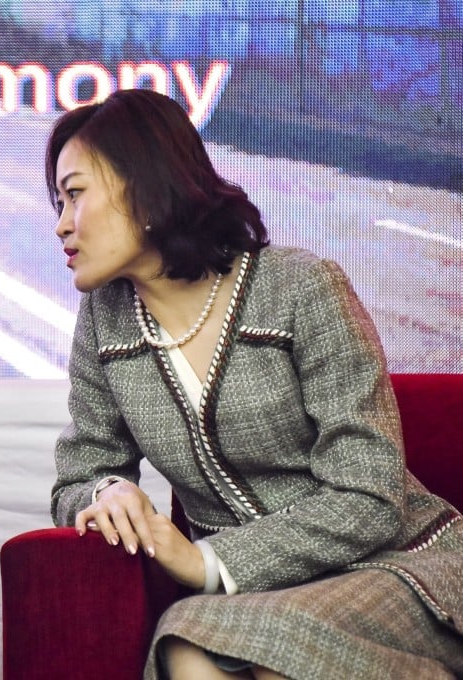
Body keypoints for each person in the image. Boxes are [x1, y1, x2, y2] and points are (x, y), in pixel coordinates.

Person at [47, 89, 463, 679]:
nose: (62, 224)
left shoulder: (301, 288)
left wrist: (207, 562)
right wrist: (106, 493)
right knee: (187, 642)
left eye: (75, 194)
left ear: (143, 186)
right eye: (59, 202)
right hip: (261, 600)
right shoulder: (103, 321)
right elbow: (79, 475)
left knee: (263, 650)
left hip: (399, 567)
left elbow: (371, 496)